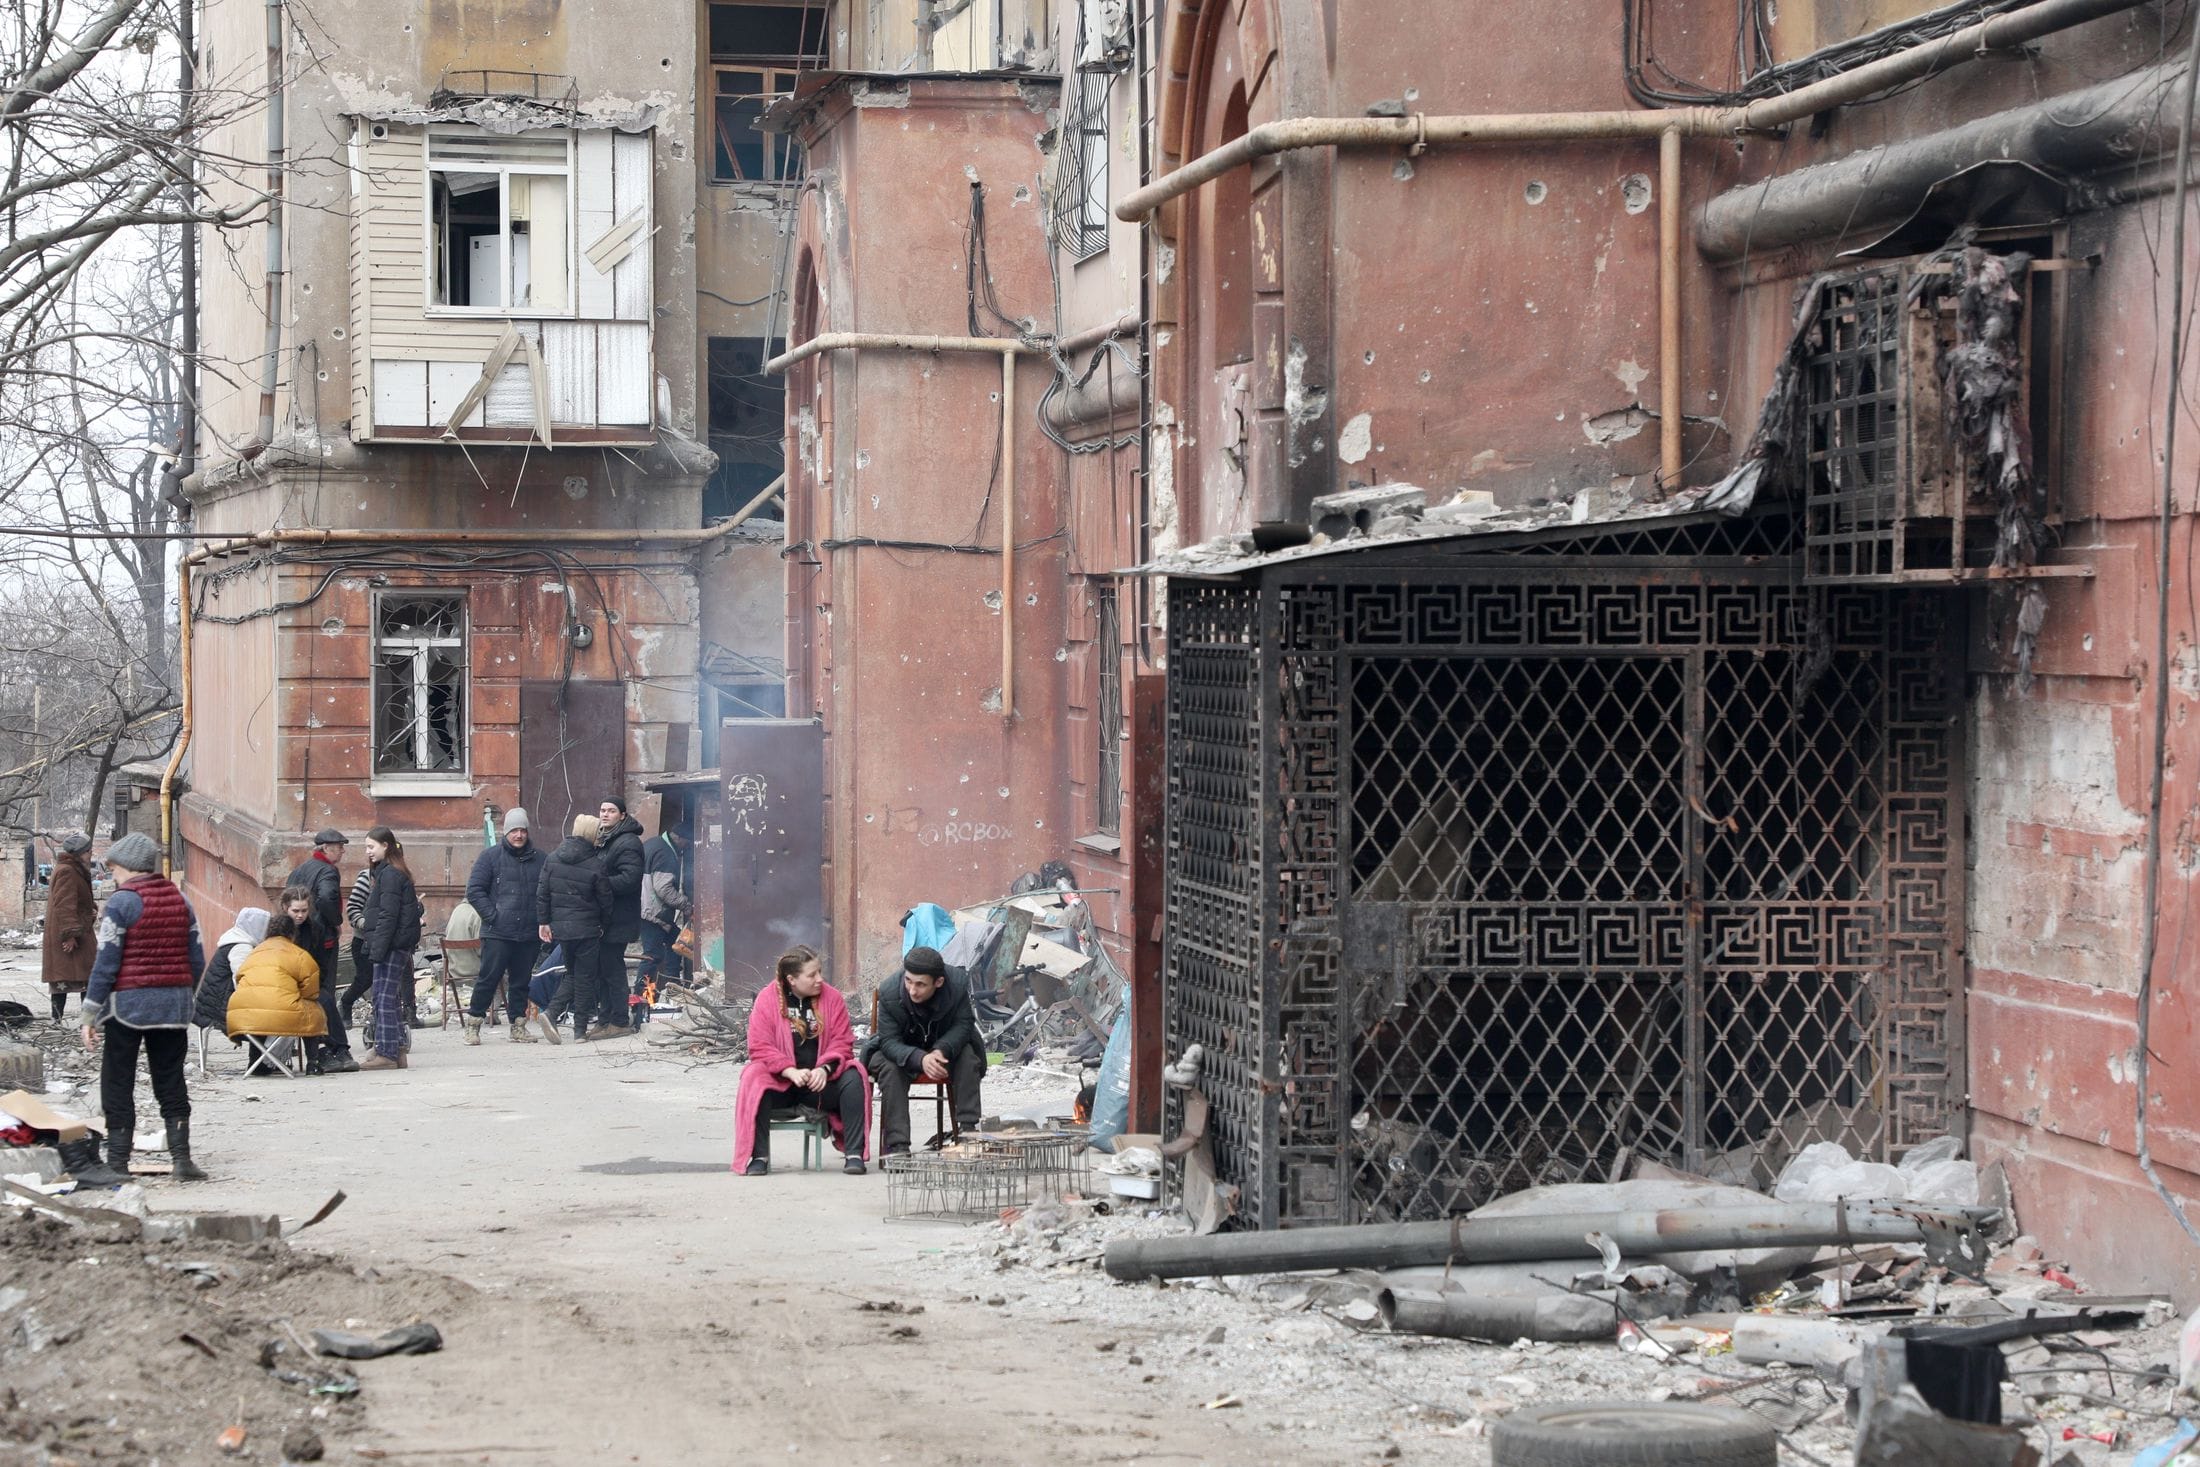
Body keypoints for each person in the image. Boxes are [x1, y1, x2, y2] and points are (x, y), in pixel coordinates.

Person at [77, 831, 209, 1184]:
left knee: (118, 1081)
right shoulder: (181, 900)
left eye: (115, 870)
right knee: (170, 1079)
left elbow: (106, 962)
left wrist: (90, 1012)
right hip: (173, 1007)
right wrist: (183, 993)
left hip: (127, 1008)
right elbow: (197, 958)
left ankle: (118, 1163)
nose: (114, 878)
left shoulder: (121, 903)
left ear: (129, 868)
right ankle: (182, 1160)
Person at [733, 946, 869, 1176]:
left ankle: (854, 1154)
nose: (819, 979)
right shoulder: (767, 1000)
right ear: (792, 979)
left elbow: (842, 1041)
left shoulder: (832, 998)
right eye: (812, 975)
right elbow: (759, 1046)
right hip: (782, 1085)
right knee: (753, 1077)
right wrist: (788, 1070)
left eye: (820, 972)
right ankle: (759, 1156)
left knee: (855, 1074)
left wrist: (824, 1069)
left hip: (819, 1086)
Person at [864, 945, 985, 1156]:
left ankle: (968, 1132)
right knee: (890, 1069)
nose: (912, 990)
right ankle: (898, 1146)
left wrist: (941, 1050)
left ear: (939, 982)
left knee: (967, 1055)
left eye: (920, 984)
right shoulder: (890, 991)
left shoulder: (957, 985)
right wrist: (920, 1059)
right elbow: (889, 1041)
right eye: (908, 981)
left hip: (943, 1046)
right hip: (900, 1050)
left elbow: (964, 1024)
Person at [463, 807, 546, 1044]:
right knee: (488, 979)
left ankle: (518, 1026)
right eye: (514, 831)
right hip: (498, 932)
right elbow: (475, 890)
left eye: (522, 830)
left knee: (521, 982)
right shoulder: (490, 857)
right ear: (506, 832)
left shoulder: (541, 859)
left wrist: (542, 921)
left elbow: (546, 893)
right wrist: (493, 916)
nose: (519, 835)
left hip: (528, 933)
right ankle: (473, 1025)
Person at [284, 830, 359, 1072]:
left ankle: (318, 1044)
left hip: (298, 939)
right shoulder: (328, 871)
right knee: (323, 991)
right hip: (322, 938)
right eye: (339, 847)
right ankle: (334, 1046)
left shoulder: (300, 869)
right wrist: (335, 921)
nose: (342, 851)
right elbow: (327, 897)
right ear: (326, 848)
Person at [537, 813, 613, 1044]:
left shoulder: (552, 859)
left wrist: (544, 922)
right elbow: (605, 900)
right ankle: (577, 1029)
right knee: (585, 977)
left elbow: (542, 893)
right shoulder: (595, 863)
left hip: (562, 929)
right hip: (588, 929)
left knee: (572, 973)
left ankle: (553, 1015)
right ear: (592, 834)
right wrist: (604, 925)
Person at [226, 904, 329, 1066]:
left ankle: (255, 1063)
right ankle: (313, 1064)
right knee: (313, 1011)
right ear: (292, 934)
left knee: (260, 1011)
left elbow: (239, 979)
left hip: (242, 1019)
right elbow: (311, 990)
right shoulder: (299, 954)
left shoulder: (254, 952)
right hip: (280, 1019)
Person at [358, 826, 423, 1071]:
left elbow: (388, 916)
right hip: (395, 943)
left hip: (391, 944)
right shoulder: (390, 872)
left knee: (383, 998)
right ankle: (396, 1049)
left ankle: (387, 1053)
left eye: (371, 847)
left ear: (386, 846)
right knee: (390, 998)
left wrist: (377, 949)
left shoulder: (390, 875)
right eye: (366, 847)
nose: (368, 852)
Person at [590, 797, 646, 1039]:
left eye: (611, 811)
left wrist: (598, 884)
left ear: (622, 815)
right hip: (606, 918)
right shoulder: (607, 839)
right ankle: (606, 1019)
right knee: (603, 970)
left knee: (612, 971)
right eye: (602, 810)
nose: (605, 814)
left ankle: (620, 1020)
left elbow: (630, 879)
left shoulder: (628, 842)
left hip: (619, 918)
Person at [41, 832, 96, 1024]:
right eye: (88, 851)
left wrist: (92, 911)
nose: (90, 855)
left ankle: (85, 1022)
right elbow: (64, 905)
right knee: (67, 980)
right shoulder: (67, 871)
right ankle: (60, 1021)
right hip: (71, 936)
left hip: (79, 931)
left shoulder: (73, 869)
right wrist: (70, 935)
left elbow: (81, 900)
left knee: (84, 979)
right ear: (80, 853)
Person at [192, 906, 268, 1041]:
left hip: (209, 1008)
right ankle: (264, 1062)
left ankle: (262, 1061)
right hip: (220, 1011)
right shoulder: (241, 947)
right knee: (272, 1025)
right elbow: (242, 981)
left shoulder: (233, 940)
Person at [638, 828, 690, 1000]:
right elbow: (664, 889)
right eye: (686, 843)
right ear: (679, 838)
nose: (686, 847)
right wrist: (684, 904)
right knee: (651, 957)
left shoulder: (653, 843)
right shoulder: (666, 853)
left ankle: (672, 988)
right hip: (653, 913)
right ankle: (643, 1000)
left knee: (675, 940)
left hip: (647, 909)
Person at [340, 862, 374, 1029]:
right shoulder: (366, 878)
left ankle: (382, 1016)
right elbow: (353, 908)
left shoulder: (401, 878)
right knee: (365, 979)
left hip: (390, 941)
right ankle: (346, 1002)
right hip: (364, 940)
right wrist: (367, 924)